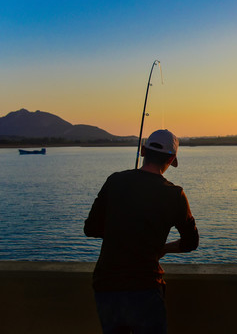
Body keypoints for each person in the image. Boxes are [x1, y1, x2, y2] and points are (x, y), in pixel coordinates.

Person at [84, 129, 199, 334]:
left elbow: (90, 228)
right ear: (172, 159)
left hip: (106, 286)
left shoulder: (114, 181)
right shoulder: (175, 195)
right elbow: (191, 242)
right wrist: (162, 248)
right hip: (145, 287)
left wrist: (122, 233)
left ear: (143, 151)